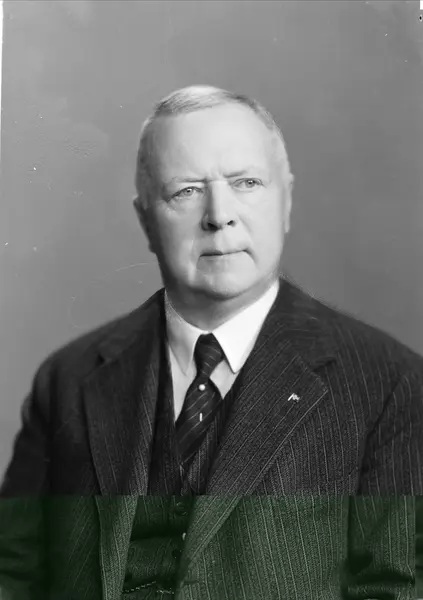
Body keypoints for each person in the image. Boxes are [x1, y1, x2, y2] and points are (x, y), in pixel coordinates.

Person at [0, 85, 422, 600]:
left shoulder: (389, 382)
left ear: (286, 200)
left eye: (246, 182)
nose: (219, 215)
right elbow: (11, 575)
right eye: (186, 191)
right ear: (145, 219)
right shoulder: (67, 379)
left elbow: (396, 587)